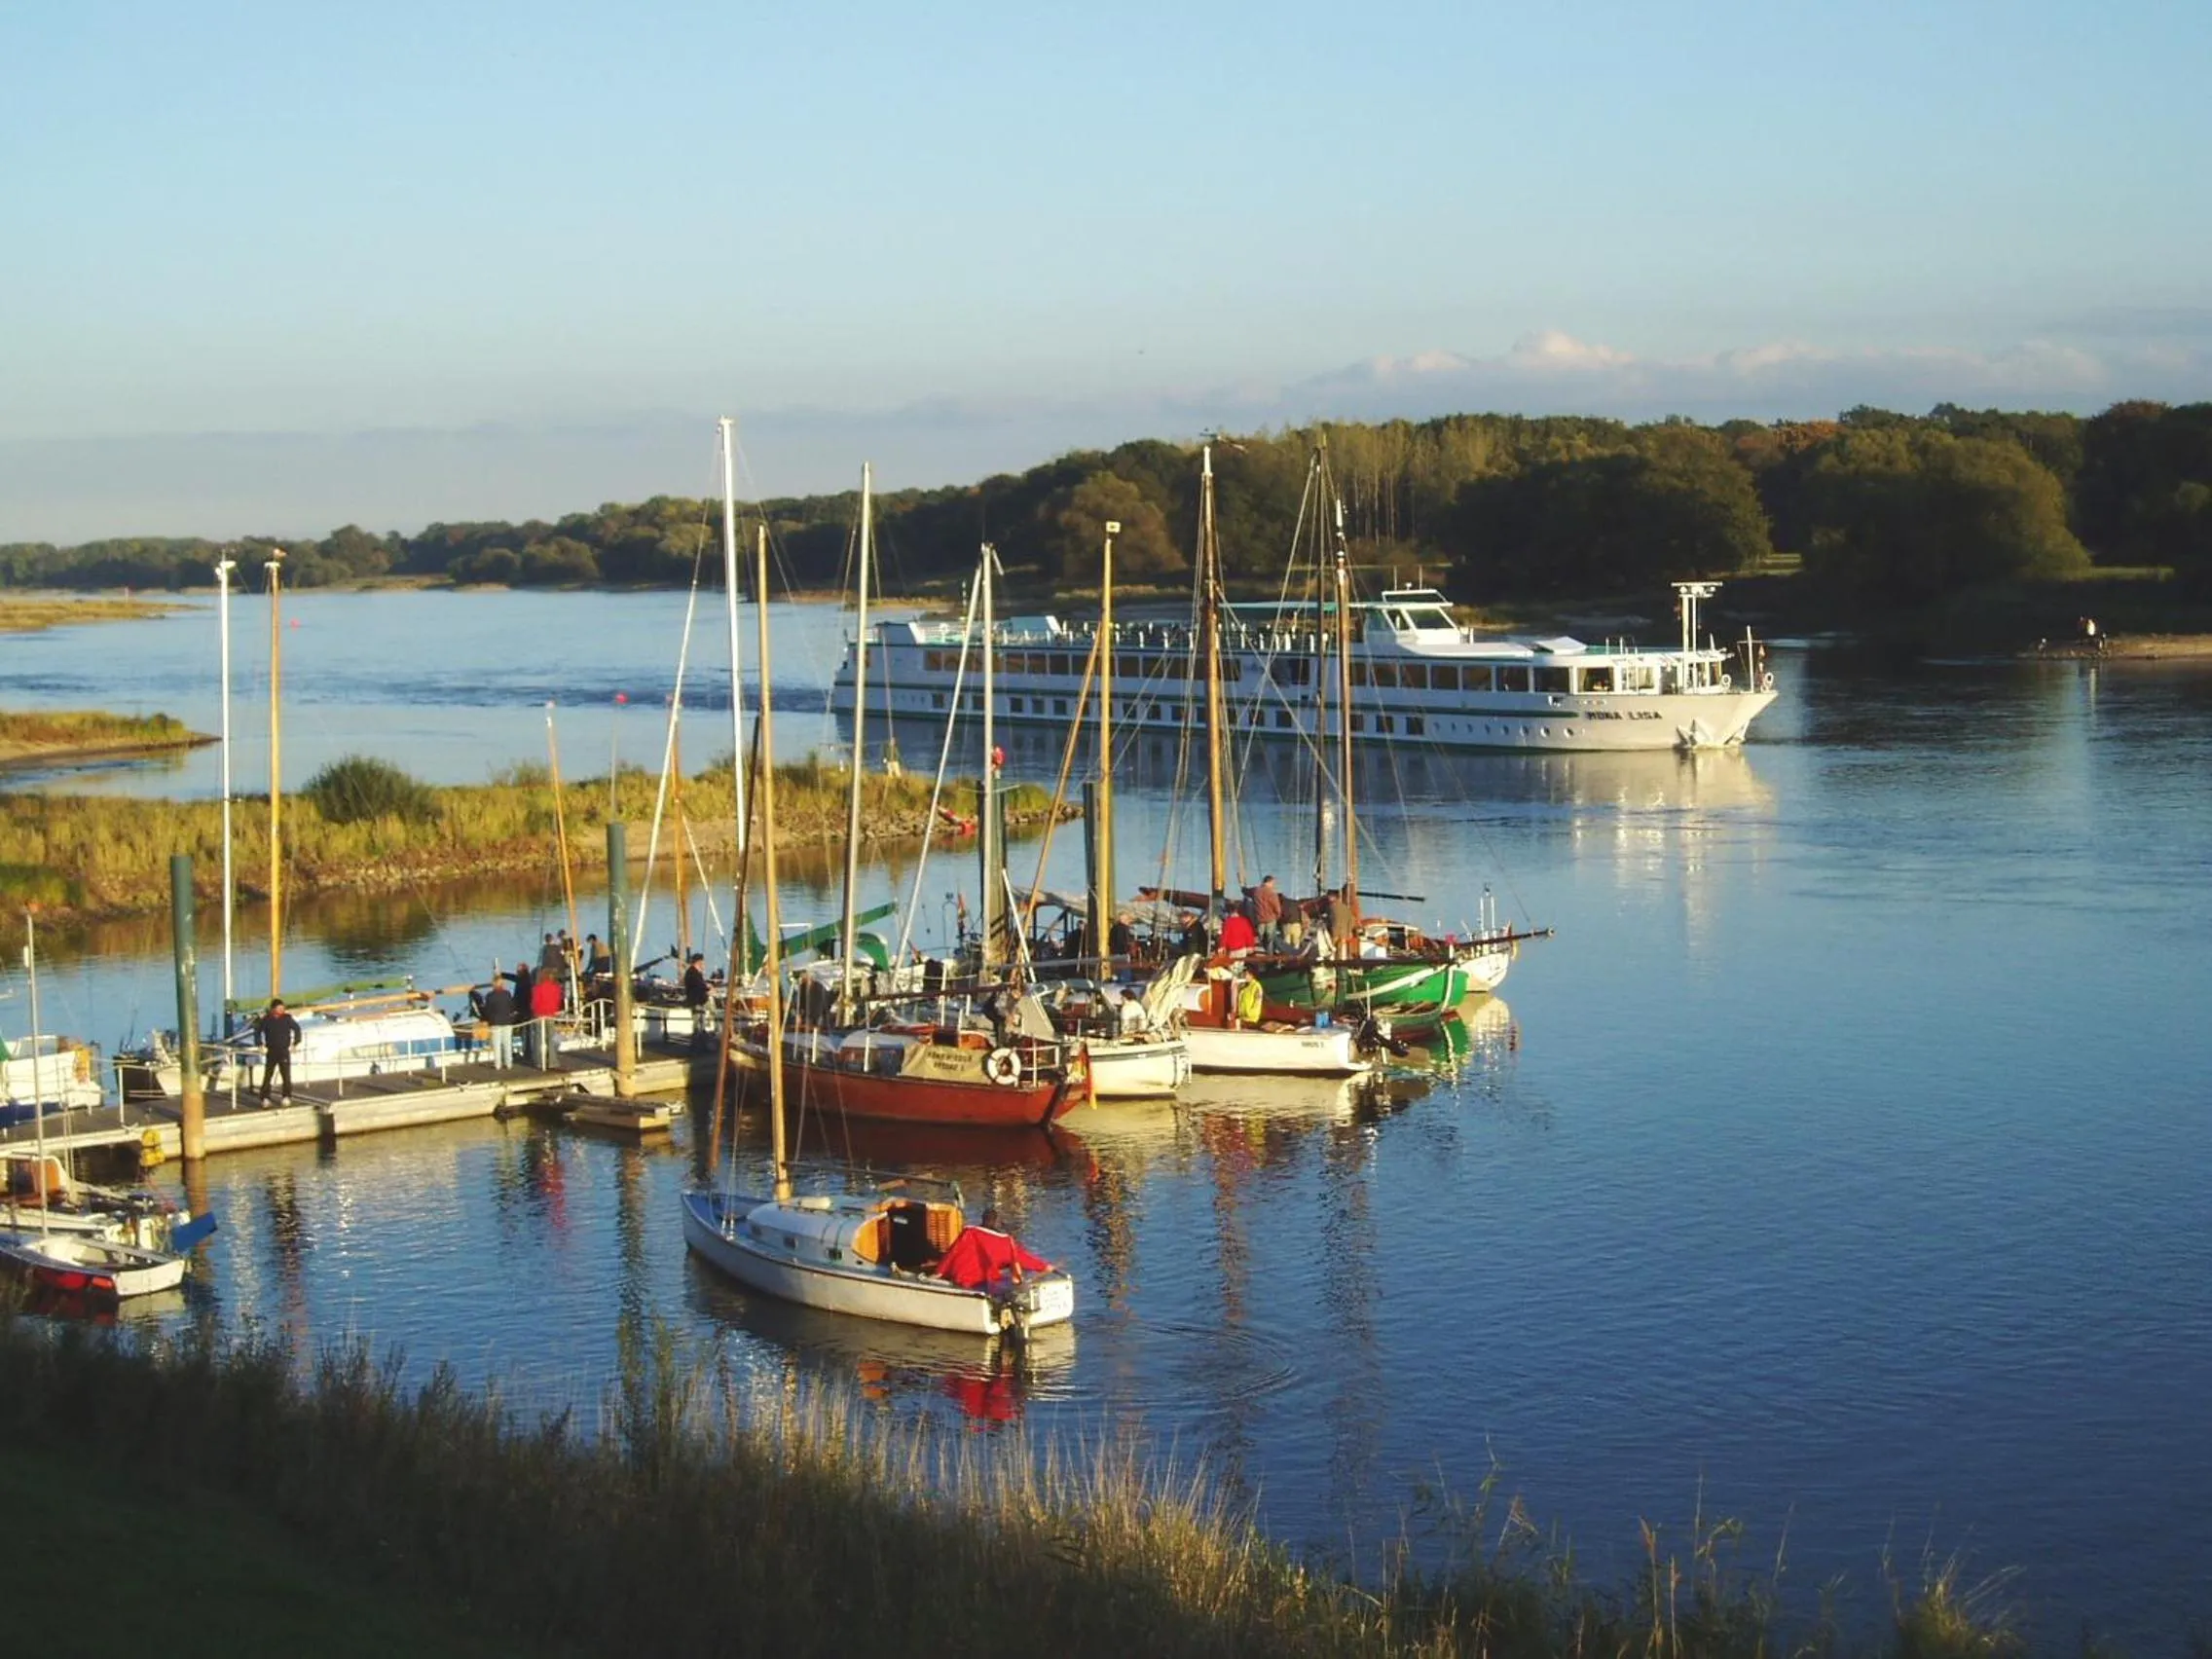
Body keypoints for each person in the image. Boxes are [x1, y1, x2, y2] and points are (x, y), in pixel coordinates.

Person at [936, 1206, 1051, 1294]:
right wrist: (1044, 1266)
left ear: (982, 1220)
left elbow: (951, 1255)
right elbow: (1022, 1257)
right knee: (1010, 1283)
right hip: (984, 1282)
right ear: (996, 1221)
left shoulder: (968, 1233)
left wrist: (939, 1272)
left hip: (961, 1279)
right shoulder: (1003, 1241)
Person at [255, 997, 302, 1104]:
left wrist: (295, 1043)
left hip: (284, 1051)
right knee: (268, 1075)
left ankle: (286, 1096)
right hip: (271, 1051)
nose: (281, 1010)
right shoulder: (267, 1019)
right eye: (279, 1008)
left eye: (282, 1008)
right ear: (273, 1009)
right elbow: (257, 1032)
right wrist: (259, 1044)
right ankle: (265, 1097)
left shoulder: (287, 1018)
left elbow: (297, 1029)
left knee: (286, 1075)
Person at [479, 972, 517, 1071]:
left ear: (493, 984)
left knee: (496, 1045)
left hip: (495, 1022)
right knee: (507, 1044)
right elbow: (511, 1007)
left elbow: (487, 1010)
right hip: (507, 1021)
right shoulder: (507, 994)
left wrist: (487, 1019)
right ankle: (509, 1064)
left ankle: (497, 1064)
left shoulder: (490, 996)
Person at [528, 969, 563, 1068]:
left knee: (538, 1038)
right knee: (552, 1038)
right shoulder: (556, 988)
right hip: (550, 1014)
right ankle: (552, 1061)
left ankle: (539, 1061)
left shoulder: (537, 988)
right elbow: (557, 1001)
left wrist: (534, 1011)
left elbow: (534, 1003)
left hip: (539, 1014)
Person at [682, 951, 711, 1051]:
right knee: (697, 1024)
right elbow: (698, 986)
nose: (704, 965)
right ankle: (696, 1046)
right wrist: (707, 988)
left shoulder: (696, 973)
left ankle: (702, 1045)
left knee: (701, 1023)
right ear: (698, 962)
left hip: (700, 1001)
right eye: (703, 962)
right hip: (696, 1002)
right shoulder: (692, 973)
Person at [1253, 875, 1283, 950]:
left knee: (1261, 937)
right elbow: (1277, 907)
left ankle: (1261, 951)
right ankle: (1269, 955)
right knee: (1270, 939)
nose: (1273, 885)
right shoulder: (1272, 893)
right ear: (1269, 882)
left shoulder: (1256, 891)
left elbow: (1247, 891)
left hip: (1260, 918)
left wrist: (1243, 889)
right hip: (1270, 918)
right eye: (1273, 883)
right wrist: (1278, 915)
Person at [1106, 910, 1137, 977]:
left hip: (1114, 954)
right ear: (1123, 919)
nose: (1128, 921)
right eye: (1127, 919)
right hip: (1123, 954)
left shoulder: (1113, 929)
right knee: (1125, 975)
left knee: (1115, 974)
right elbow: (1127, 941)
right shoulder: (1125, 928)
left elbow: (1109, 942)